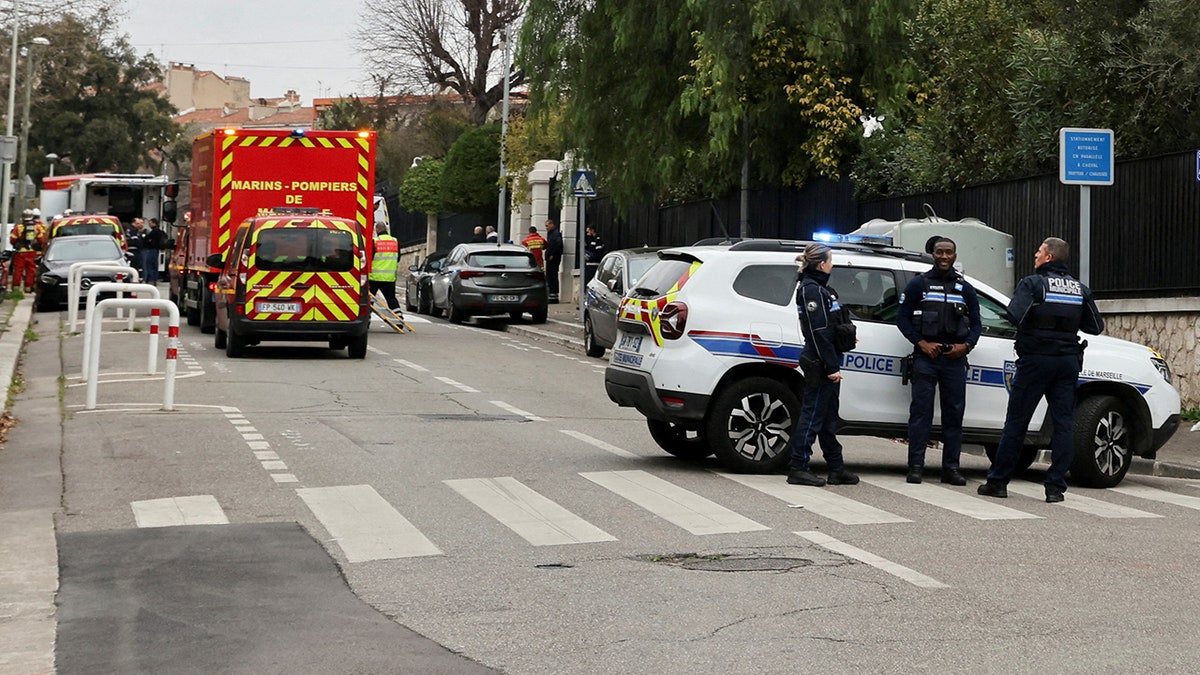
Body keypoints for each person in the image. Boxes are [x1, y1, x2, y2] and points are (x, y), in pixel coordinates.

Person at [977, 237, 1104, 503]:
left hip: (1035, 360)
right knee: (1064, 424)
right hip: (1067, 362)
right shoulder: (1080, 289)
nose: (1035, 255)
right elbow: (1095, 327)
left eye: (1038, 251)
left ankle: (998, 482)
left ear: (1048, 257)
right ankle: (1055, 488)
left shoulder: (1033, 284)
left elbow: (1014, 315)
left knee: (1017, 423)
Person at [896, 237, 981, 486]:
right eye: (939, 252)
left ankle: (951, 469)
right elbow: (902, 319)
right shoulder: (918, 285)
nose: (944, 257)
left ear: (955, 255)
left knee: (954, 415)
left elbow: (976, 324)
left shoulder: (965, 288)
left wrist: (966, 346)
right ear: (933, 254)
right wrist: (920, 343)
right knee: (920, 414)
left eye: (949, 253)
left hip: (954, 360)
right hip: (926, 358)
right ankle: (915, 467)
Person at [786, 242, 859, 487]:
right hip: (820, 360)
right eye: (831, 260)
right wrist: (831, 367)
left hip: (827, 357)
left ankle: (836, 467)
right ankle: (798, 466)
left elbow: (831, 325)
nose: (833, 264)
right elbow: (818, 332)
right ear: (822, 263)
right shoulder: (811, 290)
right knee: (812, 415)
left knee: (828, 417)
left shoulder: (820, 289)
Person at [9, 209, 47, 293]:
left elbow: (12, 240)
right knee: (31, 270)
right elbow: (42, 240)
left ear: (22, 218)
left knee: (18, 270)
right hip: (32, 252)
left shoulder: (18, 227)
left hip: (20, 253)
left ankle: (16, 290)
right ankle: (28, 289)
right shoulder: (37, 227)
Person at [368, 222, 401, 312]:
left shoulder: (375, 241)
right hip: (389, 278)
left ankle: (368, 319)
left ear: (377, 230)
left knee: (370, 300)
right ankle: (399, 319)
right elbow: (398, 259)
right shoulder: (395, 241)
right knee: (391, 299)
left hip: (374, 277)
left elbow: (369, 258)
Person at [140, 218, 168, 283]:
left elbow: (147, 239)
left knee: (149, 264)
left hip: (152, 249)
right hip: (156, 250)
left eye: (150, 223)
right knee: (155, 265)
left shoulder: (154, 231)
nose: (149, 225)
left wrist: (145, 239)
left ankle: (150, 279)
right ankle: (155, 279)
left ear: (154, 223)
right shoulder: (160, 231)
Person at [544, 219, 563, 303]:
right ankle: (551, 295)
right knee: (550, 276)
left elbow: (558, 245)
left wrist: (553, 255)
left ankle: (554, 296)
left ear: (552, 224)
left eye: (547, 226)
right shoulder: (551, 234)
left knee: (552, 276)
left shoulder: (555, 234)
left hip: (553, 259)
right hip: (550, 258)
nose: (546, 228)